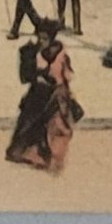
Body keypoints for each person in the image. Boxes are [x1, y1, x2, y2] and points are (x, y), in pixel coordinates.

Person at [6, 19, 77, 172]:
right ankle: (24, 153)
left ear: (51, 39)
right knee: (28, 123)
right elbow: (26, 74)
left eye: (44, 38)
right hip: (37, 93)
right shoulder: (33, 52)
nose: (41, 41)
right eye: (40, 37)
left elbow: (66, 74)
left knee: (53, 126)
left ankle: (48, 157)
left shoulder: (59, 53)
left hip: (54, 94)